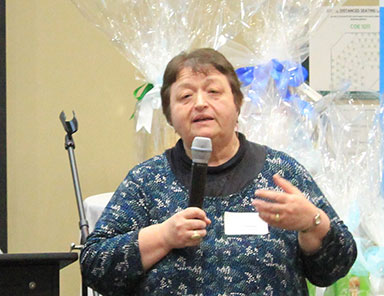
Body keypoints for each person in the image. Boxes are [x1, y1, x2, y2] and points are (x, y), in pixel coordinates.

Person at [81, 48, 357, 295]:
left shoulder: (281, 172)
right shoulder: (146, 180)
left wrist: (312, 222)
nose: (200, 103)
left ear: (237, 104)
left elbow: (335, 267)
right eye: (186, 96)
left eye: (213, 92)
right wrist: (163, 236)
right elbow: (95, 267)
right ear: (170, 116)